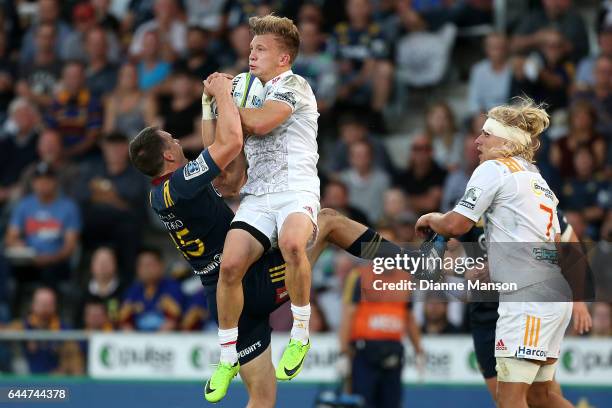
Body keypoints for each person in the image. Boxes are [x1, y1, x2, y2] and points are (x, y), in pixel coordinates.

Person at [128, 76, 435, 405]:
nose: (178, 142)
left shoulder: (159, 196)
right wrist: (220, 95)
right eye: (172, 140)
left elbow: (228, 181)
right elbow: (229, 143)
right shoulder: (183, 183)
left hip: (223, 302)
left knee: (261, 398)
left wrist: (207, 107)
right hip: (254, 282)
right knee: (328, 221)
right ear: (169, 157)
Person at [415, 98, 574, 407]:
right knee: (542, 396)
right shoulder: (535, 178)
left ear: (505, 141)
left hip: (526, 298)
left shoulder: (494, 169)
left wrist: (431, 218)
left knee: (510, 399)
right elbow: (555, 240)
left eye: (486, 134)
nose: (477, 141)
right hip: (553, 294)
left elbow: (457, 224)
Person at [213, 14, 320, 389]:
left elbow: (259, 124)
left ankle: (300, 333)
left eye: (261, 48)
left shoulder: (296, 86)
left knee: (293, 243)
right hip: (259, 193)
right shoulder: (246, 89)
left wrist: (222, 98)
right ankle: (227, 356)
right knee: (229, 267)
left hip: (296, 188)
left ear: (283, 59)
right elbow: (222, 141)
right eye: (251, 47)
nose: (251, 53)